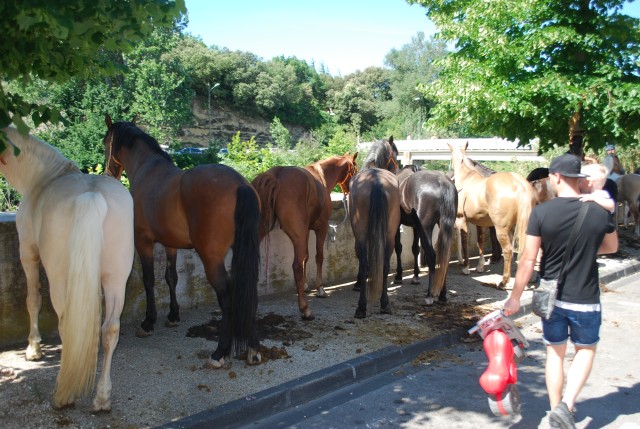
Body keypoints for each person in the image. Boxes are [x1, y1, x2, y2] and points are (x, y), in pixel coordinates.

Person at [504, 153, 618, 429]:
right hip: (586, 297)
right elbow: (612, 247)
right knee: (585, 350)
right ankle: (565, 407)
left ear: (555, 177)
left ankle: (557, 410)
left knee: (554, 354)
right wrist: (588, 250)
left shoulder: (542, 212)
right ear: (577, 178)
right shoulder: (599, 210)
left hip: (551, 297)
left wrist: (515, 297)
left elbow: (529, 260)